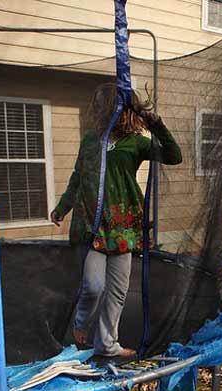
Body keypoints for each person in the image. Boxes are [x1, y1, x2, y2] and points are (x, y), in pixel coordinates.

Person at [50, 83, 182, 358]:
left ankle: (108, 344)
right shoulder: (90, 140)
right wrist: (63, 207)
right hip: (91, 224)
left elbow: (173, 156)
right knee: (93, 286)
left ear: (117, 109)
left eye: (101, 104)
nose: (96, 109)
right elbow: (78, 176)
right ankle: (80, 323)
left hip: (123, 226)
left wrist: (156, 124)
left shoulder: (136, 142)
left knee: (118, 289)